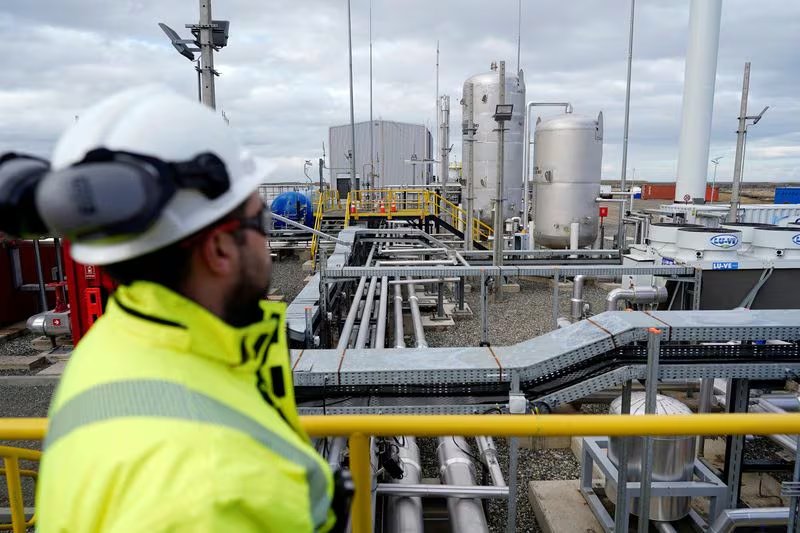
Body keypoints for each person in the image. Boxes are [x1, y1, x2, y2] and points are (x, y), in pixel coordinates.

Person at [28, 86, 339, 532]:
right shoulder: (216, 490)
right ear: (219, 249)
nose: (269, 237)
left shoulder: (112, 346)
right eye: (262, 221)